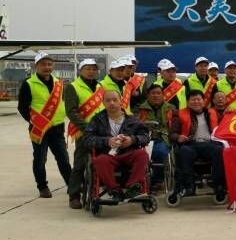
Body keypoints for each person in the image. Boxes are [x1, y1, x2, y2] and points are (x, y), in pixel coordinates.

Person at [18, 52, 71, 198]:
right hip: (39, 128)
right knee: (40, 159)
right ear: (36, 66)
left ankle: (71, 185)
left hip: (57, 128)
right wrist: (36, 121)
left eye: (49, 64)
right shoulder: (28, 83)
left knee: (63, 158)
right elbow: (22, 107)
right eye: (43, 64)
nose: (47, 67)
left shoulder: (58, 83)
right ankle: (42, 187)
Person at [80, 89, 150, 201]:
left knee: (142, 155)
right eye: (108, 100)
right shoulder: (97, 120)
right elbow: (87, 139)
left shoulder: (132, 120)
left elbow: (145, 137)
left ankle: (133, 187)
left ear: (120, 101)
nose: (111, 103)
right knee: (99, 160)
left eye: (114, 100)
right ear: (103, 103)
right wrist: (107, 141)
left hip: (128, 153)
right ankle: (114, 190)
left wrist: (132, 140)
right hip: (108, 154)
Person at [168, 90, 227, 204]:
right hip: (190, 144)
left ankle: (219, 186)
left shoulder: (212, 113)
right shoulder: (179, 114)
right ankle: (188, 185)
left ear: (204, 101)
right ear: (187, 102)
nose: (196, 102)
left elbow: (224, 127)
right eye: (193, 100)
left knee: (219, 150)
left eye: (198, 99)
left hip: (209, 144)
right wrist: (178, 137)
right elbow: (172, 133)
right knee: (184, 152)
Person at [65, 58, 105, 208]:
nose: (91, 71)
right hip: (83, 132)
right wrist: (87, 128)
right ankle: (74, 195)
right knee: (80, 164)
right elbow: (71, 111)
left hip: (101, 131)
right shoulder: (73, 87)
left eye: (94, 69)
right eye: (88, 68)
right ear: (80, 70)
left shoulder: (99, 86)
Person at [136, 83, 176, 188]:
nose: (156, 96)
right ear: (148, 95)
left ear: (163, 95)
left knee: (161, 152)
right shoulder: (139, 109)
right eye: (153, 93)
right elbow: (134, 125)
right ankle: (139, 181)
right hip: (144, 138)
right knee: (139, 154)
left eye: (158, 93)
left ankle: (158, 180)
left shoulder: (171, 108)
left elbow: (175, 125)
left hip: (162, 138)